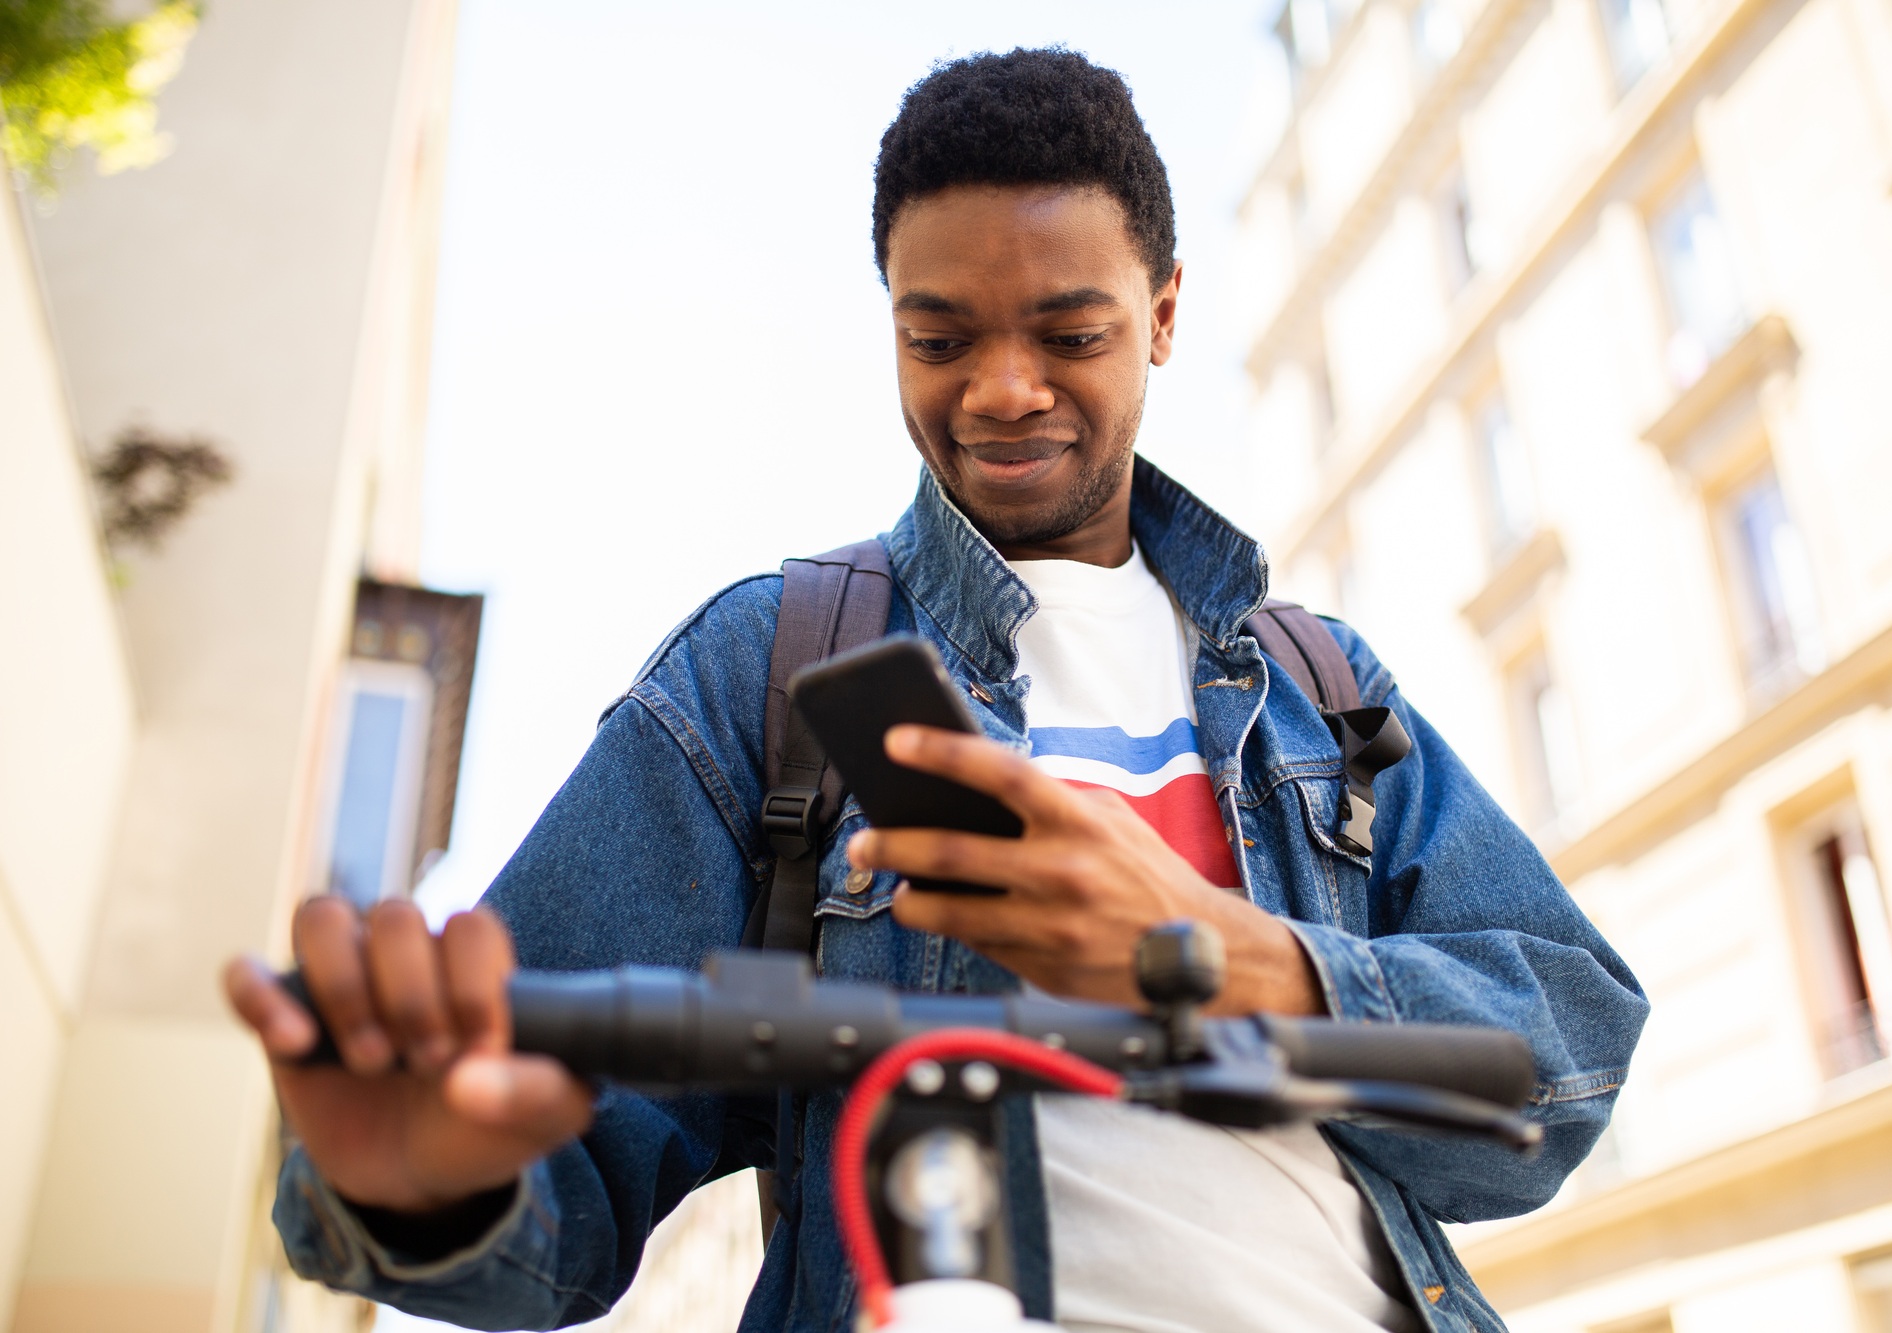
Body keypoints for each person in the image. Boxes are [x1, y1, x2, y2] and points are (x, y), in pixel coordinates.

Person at [225, 48, 1647, 1333]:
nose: (1002, 388)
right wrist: (424, 1191)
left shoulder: (1313, 686)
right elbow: (554, 1176)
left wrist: (1228, 958)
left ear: (1160, 317)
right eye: (941, 336)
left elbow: (1563, 1061)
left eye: (1069, 332)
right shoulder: (773, 671)